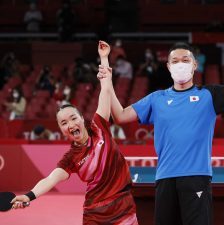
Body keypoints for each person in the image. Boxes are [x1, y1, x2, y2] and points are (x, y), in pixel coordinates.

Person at [97, 40, 224, 225]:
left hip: (197, 177)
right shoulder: (157, 98)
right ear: (168, 66)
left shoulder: (209, 95)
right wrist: (107, 79)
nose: (180, 64)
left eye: (185, 60)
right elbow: (120, 115)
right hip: (165, 177)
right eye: (175, 61)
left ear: (194, 64)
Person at [11, 42, 139, 225]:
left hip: (123, 208)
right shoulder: (71, 158)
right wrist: (29, 196)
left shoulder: (99, 127)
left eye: (73, 118)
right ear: (62, 130)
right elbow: (50, 179)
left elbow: (105, 91)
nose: (70, 124)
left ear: (81, 119)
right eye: (64, 123)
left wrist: (104, 58)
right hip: (94, 214)